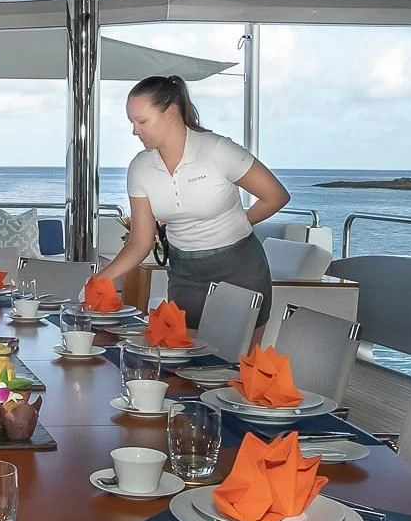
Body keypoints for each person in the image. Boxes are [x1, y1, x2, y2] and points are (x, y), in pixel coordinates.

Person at [94, 75, 291, 335]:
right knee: (183, 363)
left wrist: (240, 221)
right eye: (132, 122)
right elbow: (140, 242)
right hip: (185, 273)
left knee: (237, 368)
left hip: (239, 270)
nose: (134, 130)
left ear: (171, 113)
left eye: (142, 121)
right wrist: (101, 278)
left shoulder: (218, 150)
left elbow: (276, 196)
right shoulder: (140, 167)